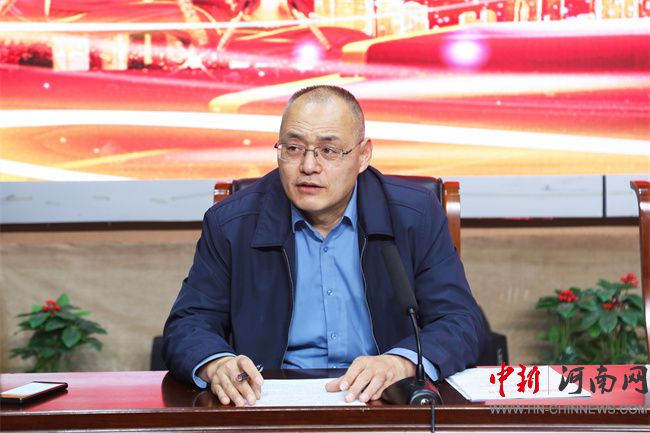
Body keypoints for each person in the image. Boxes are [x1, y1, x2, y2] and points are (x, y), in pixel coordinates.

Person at [163, 85, 485, 406]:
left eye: (328, 150)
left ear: (363, 155)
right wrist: (217, 364)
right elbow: (188, 324)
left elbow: (459, 321)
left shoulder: (414, 215)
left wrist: (400, 363)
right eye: (293, 148)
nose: (308, 166)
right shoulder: (232, 224)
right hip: (269, 405)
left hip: (382, 403)